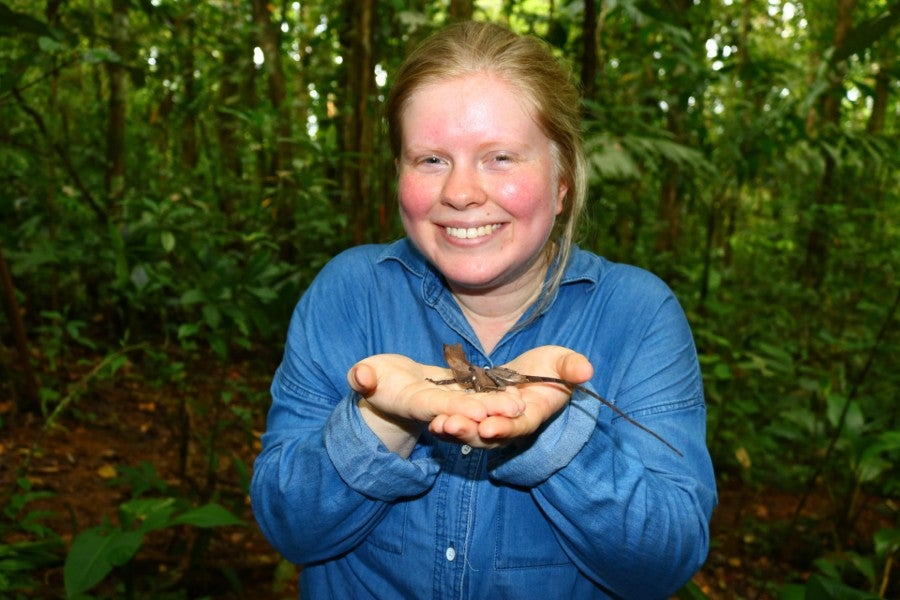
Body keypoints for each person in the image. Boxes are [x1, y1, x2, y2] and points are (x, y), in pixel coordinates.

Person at [251, 20, 717, 599]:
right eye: (430, 160)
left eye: (499, 157)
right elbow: (288, 529)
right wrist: (380, 420)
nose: (462, 192)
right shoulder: (348, 293)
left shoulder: (640, 314)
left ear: (563, 178)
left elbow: (665, 564)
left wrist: (555, 431)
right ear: (398, 172)